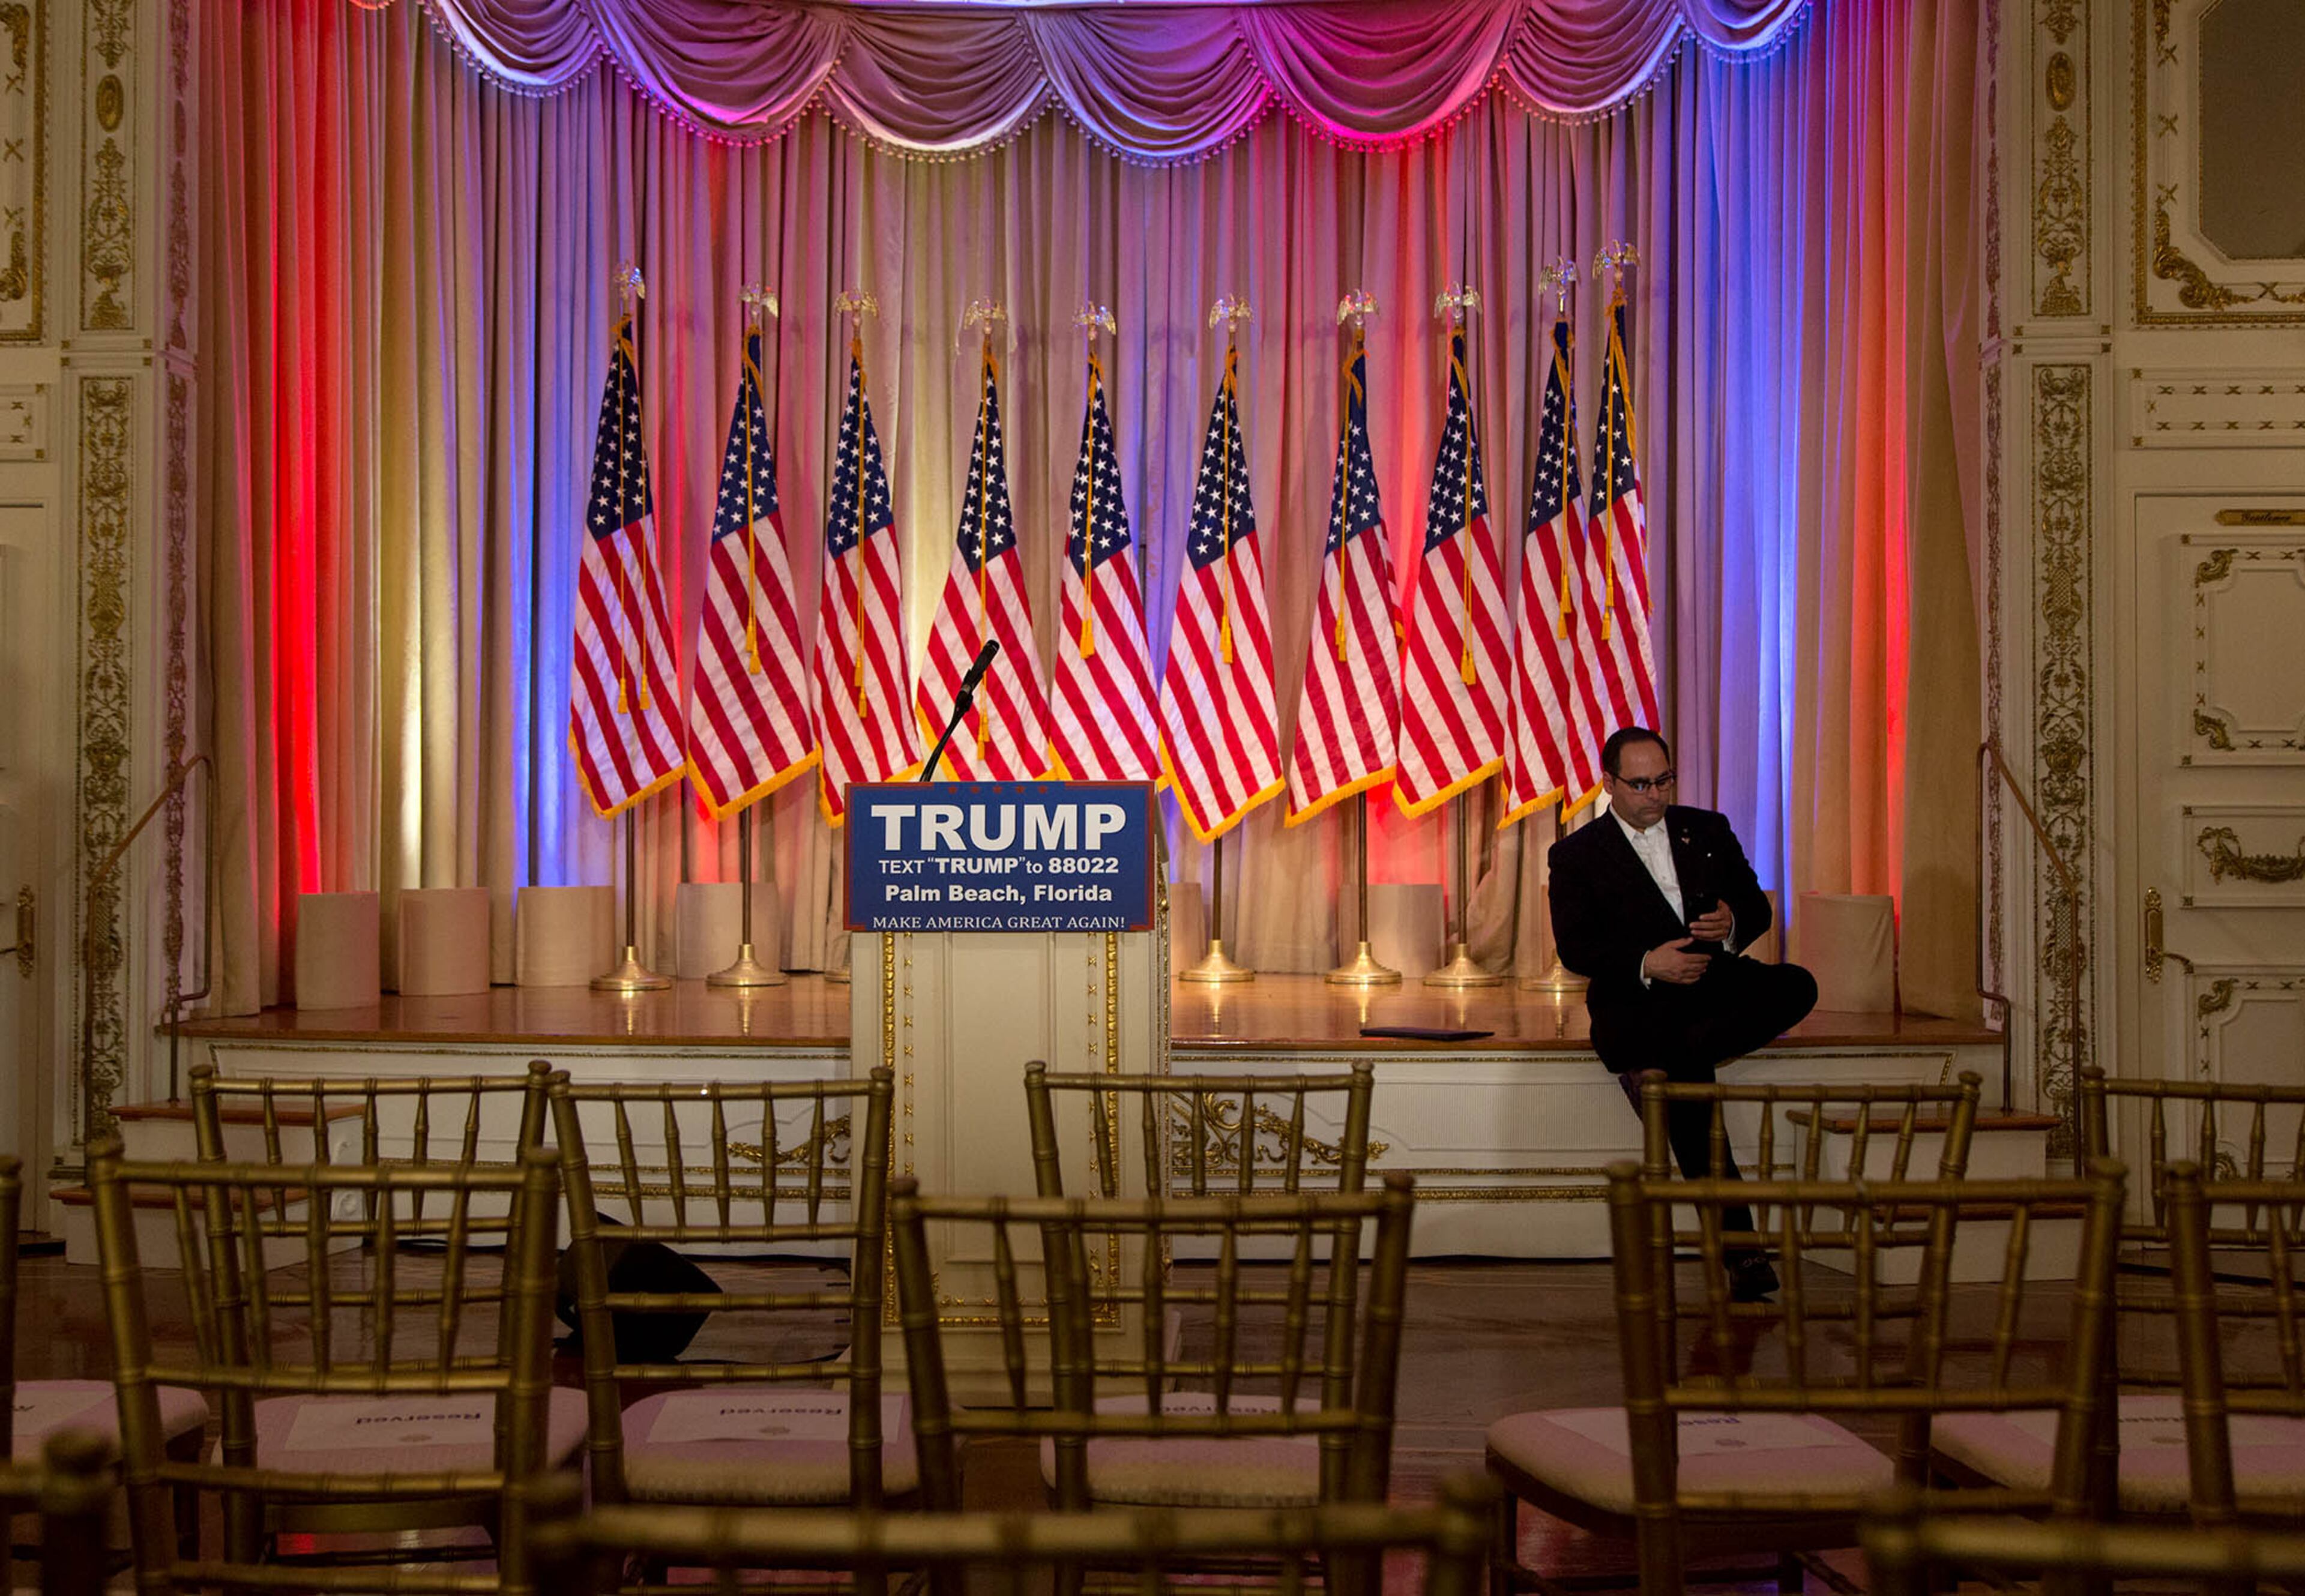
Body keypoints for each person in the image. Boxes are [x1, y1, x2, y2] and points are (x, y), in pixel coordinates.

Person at [1546, 726, 1819, 1299]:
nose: (1655, 794)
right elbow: (1576, 946)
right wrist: (1649, 961)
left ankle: (1670, 1059)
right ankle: (1744, 1255)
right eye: (1641, 783)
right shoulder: (1576, 853)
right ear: (1610, 783)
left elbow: (1753, 905)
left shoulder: (1708, 828)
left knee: (1796, 985)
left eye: (1664, 780)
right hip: (1636, 998)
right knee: (1688, 1084)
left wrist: (1731, 923)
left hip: (1709, 987)